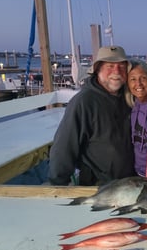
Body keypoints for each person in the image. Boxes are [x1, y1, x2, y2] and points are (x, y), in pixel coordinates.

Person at [48, 46, 135, 186]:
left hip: (129, 184)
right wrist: (57, 187)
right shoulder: (83, 102)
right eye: (110, 66)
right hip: (98, 186)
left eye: (121, 66)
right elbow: (64, 147)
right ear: (97, 69)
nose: (116, 71)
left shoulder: (130, 98)